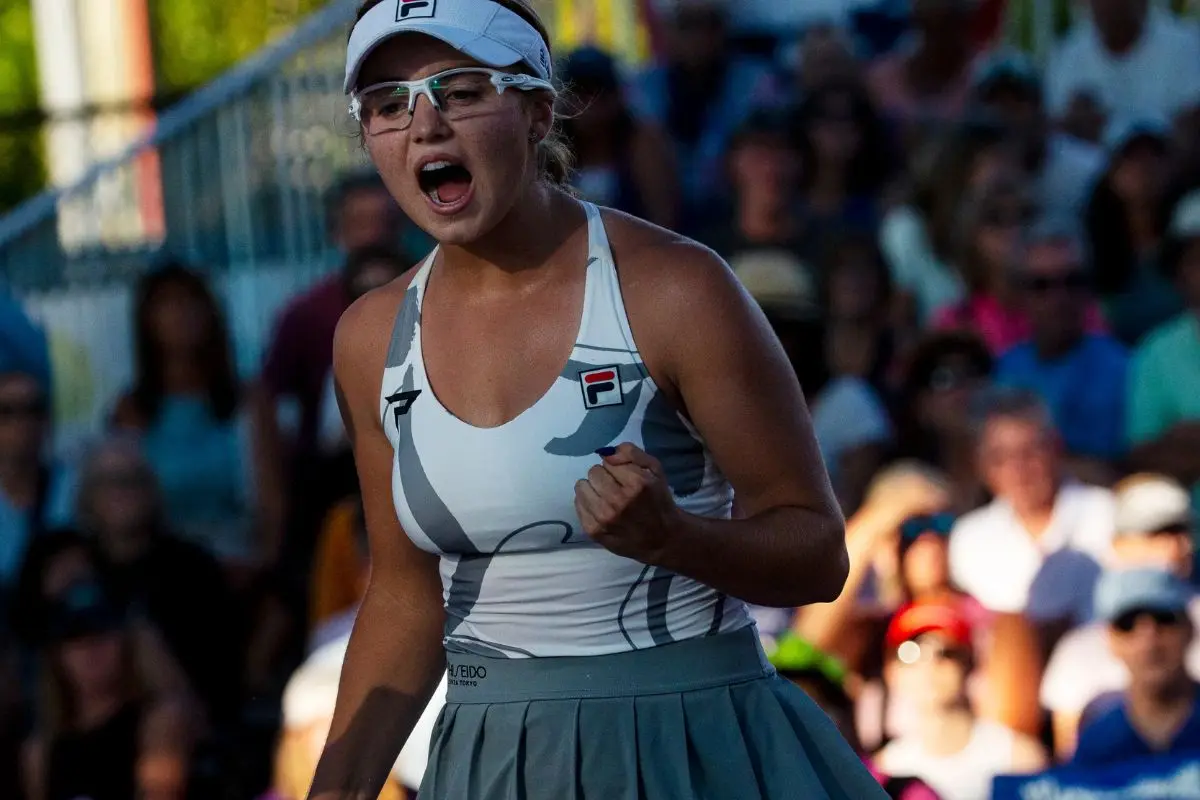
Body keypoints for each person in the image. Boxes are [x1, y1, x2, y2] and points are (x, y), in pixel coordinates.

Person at [310, 0, 881, 798]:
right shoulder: (369, 338)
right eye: (388, 105)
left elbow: (817, 554)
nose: (425, 125)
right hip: (491, 758)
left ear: (539, 112)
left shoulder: (677, 287)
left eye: (462, 91)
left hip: (695, 747)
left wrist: (677, 537)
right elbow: (406, 595)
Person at [1041, 473, 1200, 760]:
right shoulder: (1079, 649)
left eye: (1181, 532)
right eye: (1155, 535)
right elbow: (1072, 761)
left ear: (1188, 629)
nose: (1174, 547)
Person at [874, 599, 1047, 800]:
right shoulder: (886, 769)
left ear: (969, 663)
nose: (929, 665)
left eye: (946, 652)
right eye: (909, 653)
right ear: (891, 671)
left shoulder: (1017, 760)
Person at [1073, 568, 1200, 765]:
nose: (1148, 643)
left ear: (1190, 628)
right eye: (1127, 625)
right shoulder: (1097, 743)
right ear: (1110, 640)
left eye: (1164, 619)